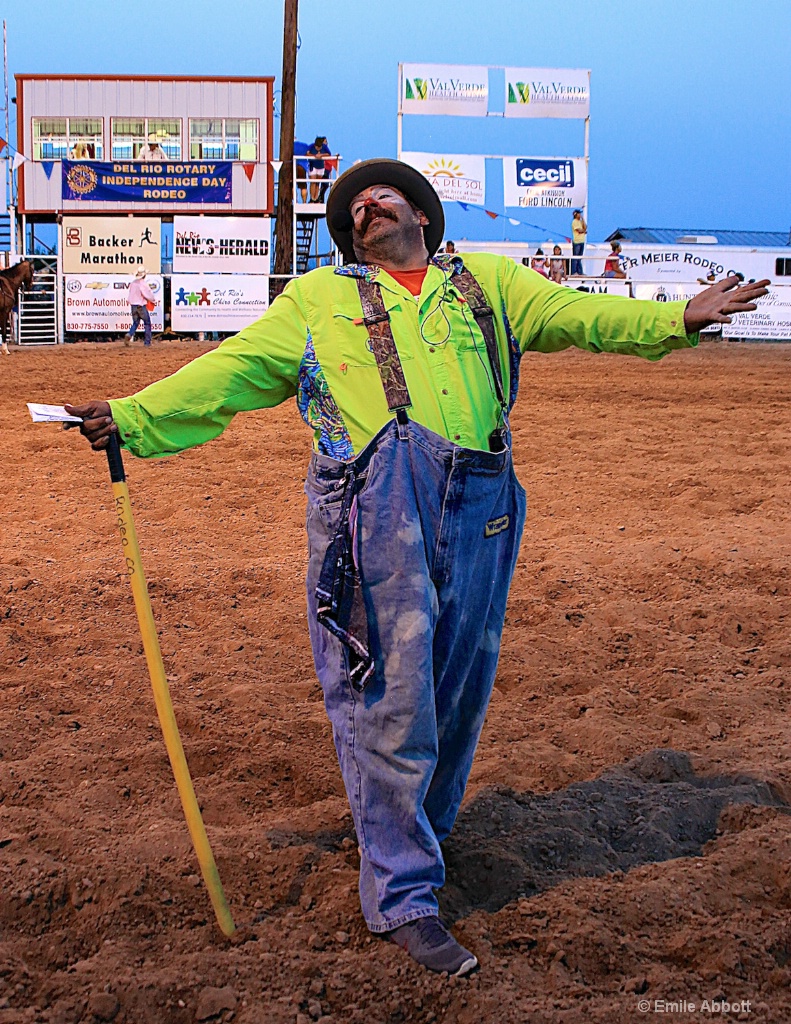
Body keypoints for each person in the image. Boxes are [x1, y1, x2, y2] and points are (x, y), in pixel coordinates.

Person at [65, 158, 768, 979]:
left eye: (381, 194)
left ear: (423, 215)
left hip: (482, 500)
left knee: (457, 685)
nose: (366, 205)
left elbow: (578, 312)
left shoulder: (492, 282)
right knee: (387, 693)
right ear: (348, 237)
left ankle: (415, 837)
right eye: (353, 206)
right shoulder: (317, 302)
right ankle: (403, 893)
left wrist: (675, 317)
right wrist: (134, 416)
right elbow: (229, 370)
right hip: (372, 505)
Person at [125, 270, 157, 346]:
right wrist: (153, 300)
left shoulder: (133, 283)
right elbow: (147, 294)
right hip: (140, 305)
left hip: (133, 305)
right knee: (147, 323)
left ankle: (130, 334)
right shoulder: (143, 283)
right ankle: (147, 342)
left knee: (136, 322)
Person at [306, 135, 332, 202]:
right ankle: (312, 198)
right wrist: (314, 156)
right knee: (313, 182)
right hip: (313, 166)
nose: (318, 149)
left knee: (317, 182)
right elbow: (307, 153)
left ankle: (315, 198)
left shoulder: (324, 147)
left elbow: (329, 154)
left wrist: (321, 155)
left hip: (320, 167)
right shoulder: (311, 146)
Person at [571, 209, 587, 275]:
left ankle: (580, 272)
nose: (580, 215)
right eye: (579, 214)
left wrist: (583, 219)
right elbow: (579, 230)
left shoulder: (580, 222)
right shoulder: (574, 222)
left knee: (579, 258)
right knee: (575, 258)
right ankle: (574, 271)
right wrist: (584, 231)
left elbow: (585, 227)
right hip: (577, 242)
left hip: (582, 241)